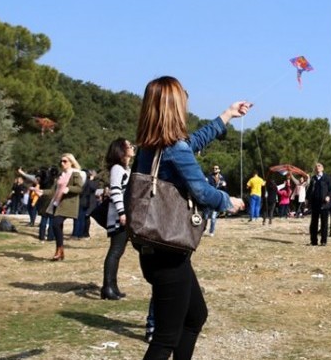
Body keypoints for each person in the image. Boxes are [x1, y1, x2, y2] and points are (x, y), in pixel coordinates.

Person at [131, 76, 248, 359]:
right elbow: (202, 191)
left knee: (195, 317)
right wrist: (228, 201)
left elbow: (191, 142)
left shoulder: (150, 147)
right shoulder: (173, 149)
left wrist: (227, 115)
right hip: (168, 253)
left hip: (154, 249)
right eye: (183, 97)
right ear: (174, 106)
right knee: (165, 339)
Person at [101, 138, 134, 300]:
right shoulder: (117, 169)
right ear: (121, 150)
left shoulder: (125, 169)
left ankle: (112, 286)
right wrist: (122, 213)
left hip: (122, 215)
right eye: (129, 146)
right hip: (118, 216)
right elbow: (115, 192)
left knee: (117, 251)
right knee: (115, 251)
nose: (132, 147)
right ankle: (108, 287)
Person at [46, 153, 83, 261]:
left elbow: (79, 188)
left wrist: (69, 189)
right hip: (57, 203)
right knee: (57, 226)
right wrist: (40, 192)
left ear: (71, 162)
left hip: (67, 203)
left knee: (56, 223)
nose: (62, 163)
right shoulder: (61, 175)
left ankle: (59, 249)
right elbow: (53, 191)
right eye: (61, 161)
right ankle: (60, 250)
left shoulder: (75, 174)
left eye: (65, 161)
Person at [307, 162, 331, 246]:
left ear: (322, 168)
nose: (317, 167)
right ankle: (313, 241)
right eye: (316, 166)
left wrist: (328, 196)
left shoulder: (327, 178)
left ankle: (323, 241)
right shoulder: (313, 178)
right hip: (315, 203)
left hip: (324, 204)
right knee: (314, 223)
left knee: (324, 223)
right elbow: (309, 190)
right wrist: (307, 199)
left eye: (319, 166)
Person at [205, 165, 227, 236]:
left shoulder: (222, 178)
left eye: (216, 168)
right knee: (205, 216)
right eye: (214, 168)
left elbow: (225, 190)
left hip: (217, 199)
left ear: (219, 170)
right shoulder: (209, 177)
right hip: (209, 198)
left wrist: (224, 185)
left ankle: (211, 231)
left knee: (213, 217)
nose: (215, 169)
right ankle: (203, 229)